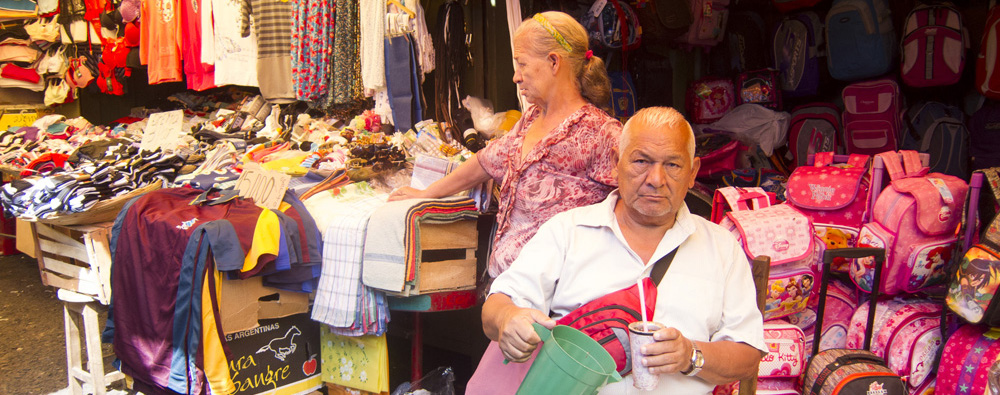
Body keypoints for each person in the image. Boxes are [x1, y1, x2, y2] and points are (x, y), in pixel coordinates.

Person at [478, 107, 766, 394]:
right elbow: (497, 306)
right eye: (642, 161)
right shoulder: (568, 232)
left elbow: (747, 355)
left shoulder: (721, 248)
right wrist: (508, 319)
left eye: (673, 166)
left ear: (693, 173)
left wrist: (689, 355)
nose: (656, 179)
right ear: (617, 163)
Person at [388, 11, 621, 277]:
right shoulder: (532, 118)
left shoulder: (601, 133)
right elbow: (484, 162)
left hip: (557, 299)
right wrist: (426, 193)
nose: (516, 76)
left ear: (554, 62)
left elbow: (637, 201)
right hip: (507, 288)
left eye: (522, 64)